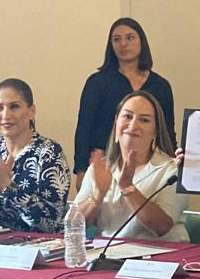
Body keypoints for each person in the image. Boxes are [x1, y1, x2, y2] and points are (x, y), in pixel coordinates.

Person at [0, 78, 70, 232]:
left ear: (31, 111)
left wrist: (7, 186)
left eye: (14, 106)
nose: (5, 115)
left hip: (41, 244)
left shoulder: (49, 152)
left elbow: (50, 222)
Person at [73, 17, 176, 186]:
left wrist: (173, 165)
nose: (123, 44)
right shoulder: (97, 82)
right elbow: (84, 128)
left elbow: (168, 131)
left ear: (141, 41)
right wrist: (81, 170)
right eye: (116, 39)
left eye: (130, 37)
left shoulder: (160, 85)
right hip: (105, 165)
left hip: (150, 168)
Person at [74, 90, 188, 241]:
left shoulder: (173, 170)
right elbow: (74, 225)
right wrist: (97, 195)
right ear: (116, 123)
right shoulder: (101, 168)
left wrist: (128, 187)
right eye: (128, 116)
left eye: (144, 120)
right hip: (110, 252)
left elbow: (161, 226)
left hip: (162, 253)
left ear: (156, 131)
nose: (133, 125)